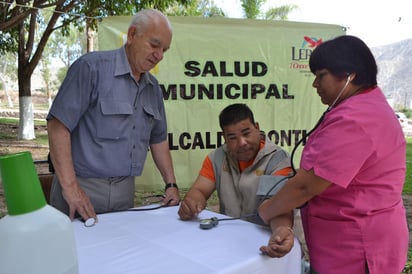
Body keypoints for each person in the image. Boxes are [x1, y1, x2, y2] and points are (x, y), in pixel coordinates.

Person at [258, 35, 409, 273]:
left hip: (357, 247)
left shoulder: (356, 119)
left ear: (350, 75)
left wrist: (267, 210)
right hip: (351, 238)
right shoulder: (364, 107)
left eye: (321, 75)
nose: (315, 84)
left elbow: (306, 187)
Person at [47, 9, 180, 223]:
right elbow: (57, 126)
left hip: (124, 191)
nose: (159, 55)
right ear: (132, 35)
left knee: (117, 252)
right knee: (73, 254)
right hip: (82, 186)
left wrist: (171, 184)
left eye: (164, 49)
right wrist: (70, 188)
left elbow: (159, 139)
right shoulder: (91, 68)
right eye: (154, 45)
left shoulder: (153, 88)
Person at [178, 103, 295, 258]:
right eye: (232, 138)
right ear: (224, 138)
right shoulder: (217, 157)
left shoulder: (277, 160)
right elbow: (199, 190)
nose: (242, 143)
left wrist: (282, 229)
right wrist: (192, 203)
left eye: (246, 133)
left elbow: (278, 208)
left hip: (265, 241)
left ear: (257, 127)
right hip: (229, 242)